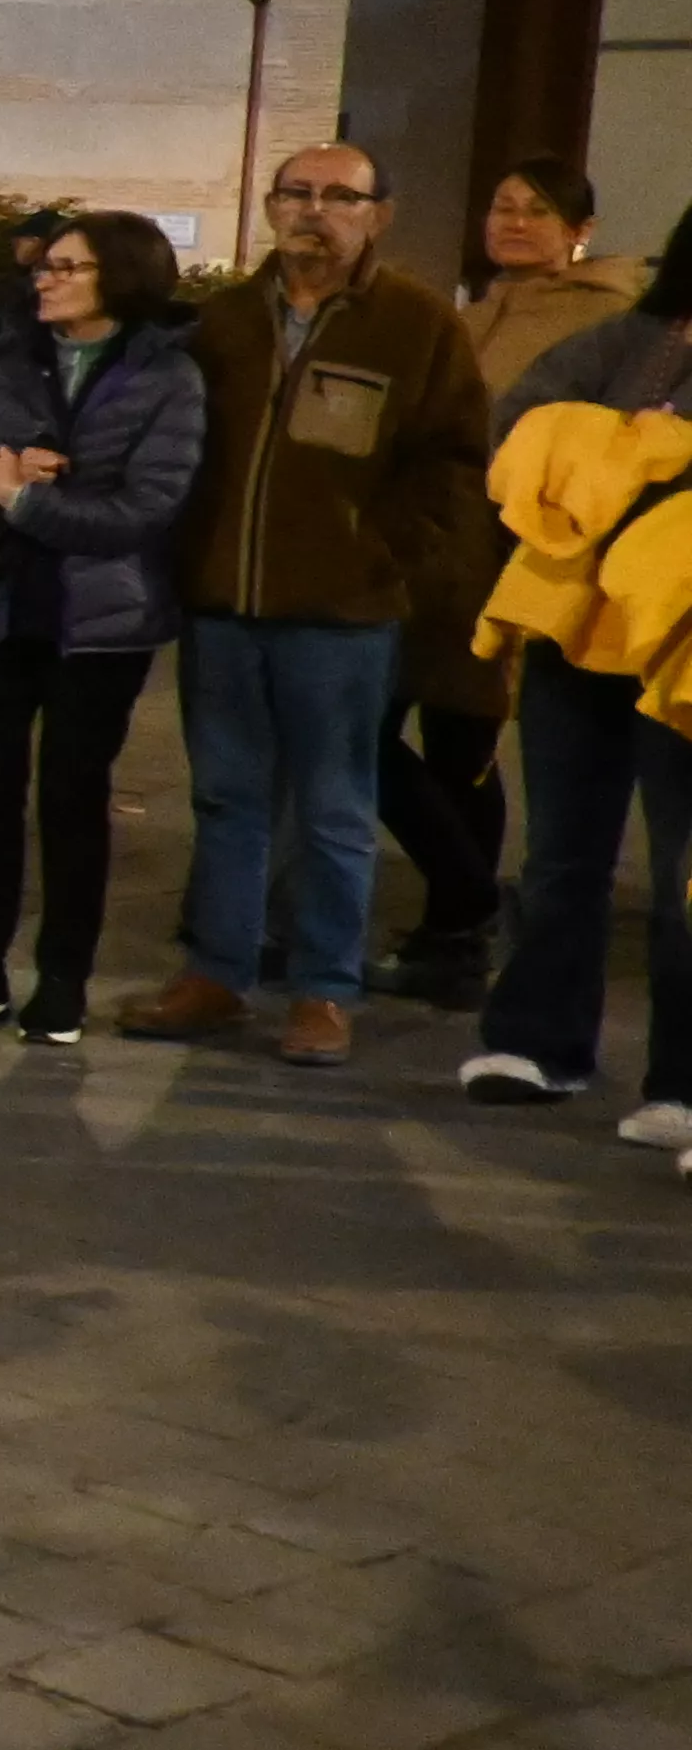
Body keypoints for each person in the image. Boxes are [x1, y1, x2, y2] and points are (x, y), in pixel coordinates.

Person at [118, 142, 487, 1068]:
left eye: (338, 197)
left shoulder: (417, 324)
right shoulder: (225, 321)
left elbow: (452, 462)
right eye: (297, 194)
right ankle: (217, 973)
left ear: (378, 214)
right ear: (272, 206)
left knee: (333, 807)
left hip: (343, 617)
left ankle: (325, 991)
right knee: (227, 799)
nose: (313, 212)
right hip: (222, 605)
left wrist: (378, 554)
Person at [0, 210, 202, 1042]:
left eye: (69, 266)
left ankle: (62, 979)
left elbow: (148, 509)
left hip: (102, 623)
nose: (45, 278)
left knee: (72, 797)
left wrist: (27, 501)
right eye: (46, 265)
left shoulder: (168, 377)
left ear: (121, 277)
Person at [461, 204, 692, 1130]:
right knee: (562, 853)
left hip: (680, 652)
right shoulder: (627, 337)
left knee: (683, 873)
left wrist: (620, 452)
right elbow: (518, 433)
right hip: (575, 635)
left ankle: (680, 1082)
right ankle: (540, 1043)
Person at [393, 160, 634, 1003]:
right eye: (503, 206)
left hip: (508, 568)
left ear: (580, 231)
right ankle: (461, 914)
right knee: (385, 735)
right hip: (427, 561)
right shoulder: (473, 310)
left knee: (461, 742)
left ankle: (457, 929)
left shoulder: (607, 324)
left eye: (538, 210)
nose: (516, 222)